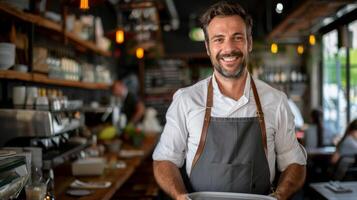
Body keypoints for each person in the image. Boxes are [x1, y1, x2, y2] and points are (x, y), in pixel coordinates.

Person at [152, 1, 306, 200]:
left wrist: (279, 196)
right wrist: (180, 196)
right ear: (208, 47)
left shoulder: (275, 101)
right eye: (219, 39)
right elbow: (164, 160)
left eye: (237, 38)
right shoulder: (186, 100)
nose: (229, 48)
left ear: (249, 43)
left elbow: (295, 162)